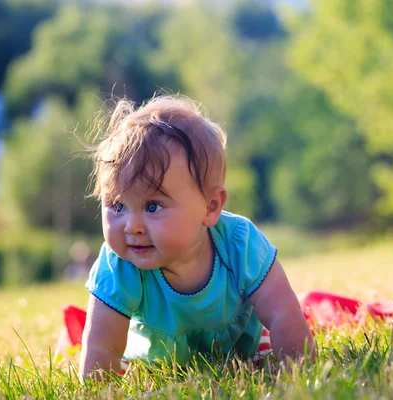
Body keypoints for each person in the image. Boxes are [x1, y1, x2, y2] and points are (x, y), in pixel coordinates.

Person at [79, 95, 315, 380]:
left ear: (211, 206)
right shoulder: (119, 264)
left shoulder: (239, 243)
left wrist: (297, 373)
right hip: (154, 367)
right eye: (117, 206)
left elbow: (283, 312)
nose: (132, 227)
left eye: (152, 206)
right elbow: (101, 347)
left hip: (243, 353)